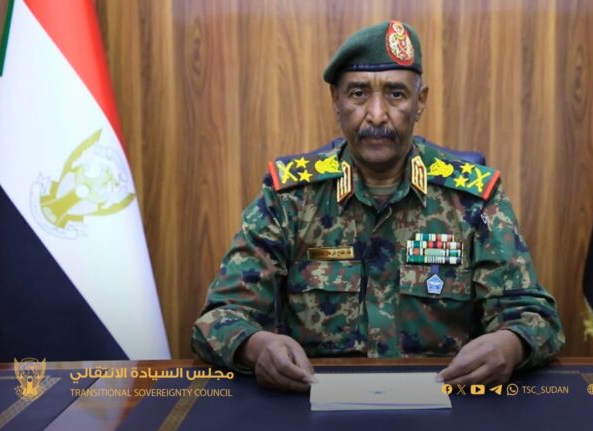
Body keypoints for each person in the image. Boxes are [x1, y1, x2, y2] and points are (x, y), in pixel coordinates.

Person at [192, 20, 564, 392]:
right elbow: (219, 318)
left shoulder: (473, 199)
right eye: (358, 94)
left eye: (396, 94)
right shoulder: (289, 199)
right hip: (316, 398)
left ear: (420, 102)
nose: (376, 115)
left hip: (444, 397)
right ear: (336, 101)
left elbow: (536, 317)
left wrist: (509, 344)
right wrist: (257, 346)